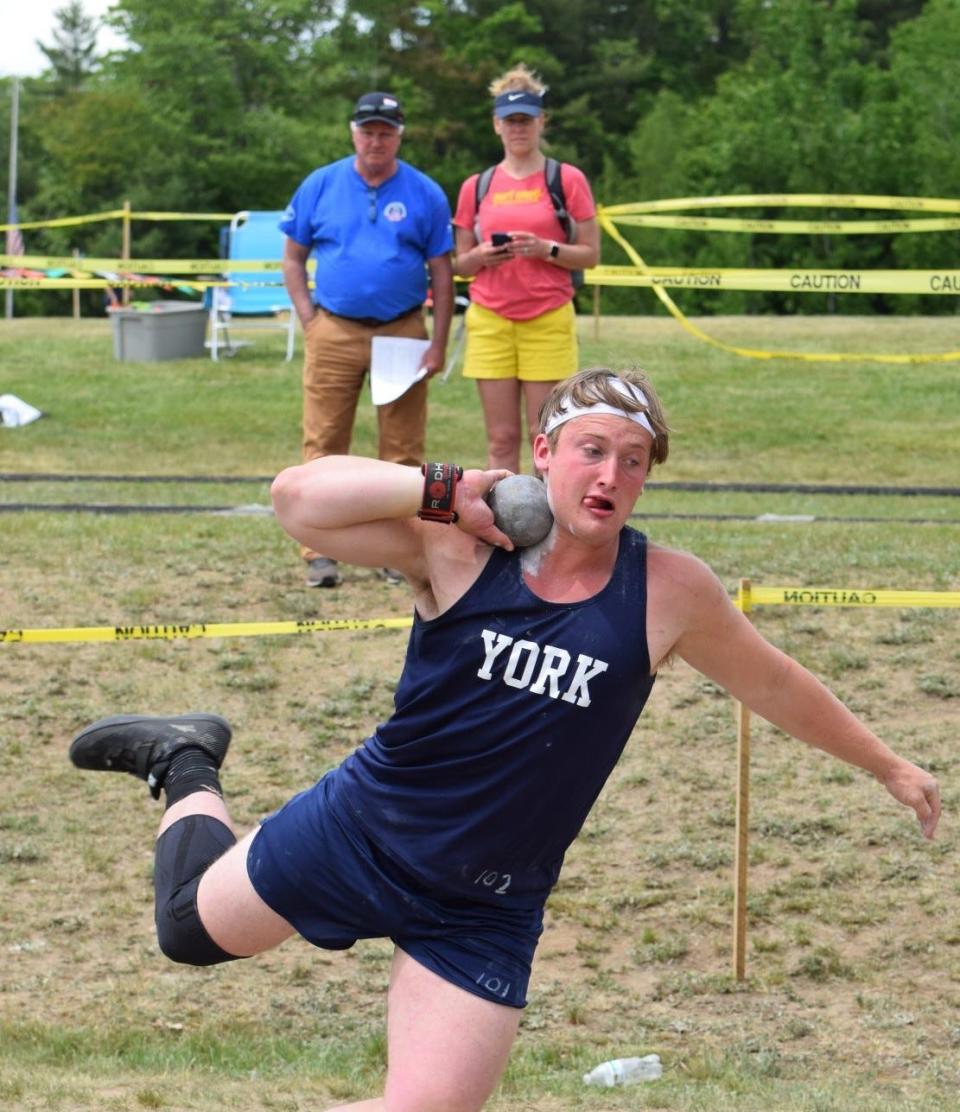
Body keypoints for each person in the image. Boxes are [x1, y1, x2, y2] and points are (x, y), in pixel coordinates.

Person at [69, 368, 941, 1112]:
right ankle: (186, 757)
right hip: (365, 831)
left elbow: (777, 684)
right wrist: (441, 489)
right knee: (185, 931)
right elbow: (296, 501)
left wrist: (889, 765)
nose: (609, 475)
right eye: (591, 450)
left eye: (631, 462)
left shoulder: (669, 591)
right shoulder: (459, 545)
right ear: (544, 454)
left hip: (484, 903)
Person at [281, 91, 455, 588]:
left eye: (386, 131)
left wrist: (438, 341)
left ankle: (397, 551)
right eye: (368, 130)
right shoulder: (321, 184)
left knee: (402, 451)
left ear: (400, 135)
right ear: (353, 132)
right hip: (333, 329)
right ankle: (319, 550)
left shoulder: (424, 192)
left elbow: (441, 271)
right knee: (324, 444)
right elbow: (293, 257)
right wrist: (309, 319)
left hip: (403, 330)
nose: (376, 140)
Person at [452, 64, 600, 474]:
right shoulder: (476, 186)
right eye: (510, 121)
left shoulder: (566, 178)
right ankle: (503, 531)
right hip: (491, 318)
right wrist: (482, 255)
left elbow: (589, 254)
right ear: (496, 125)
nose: (519, 129)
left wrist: (546, 249)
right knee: (501, 439)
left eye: (527, 120)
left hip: (547, 317)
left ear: (541, 122)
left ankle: (550, 533)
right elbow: (458, 264)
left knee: (546, 434)